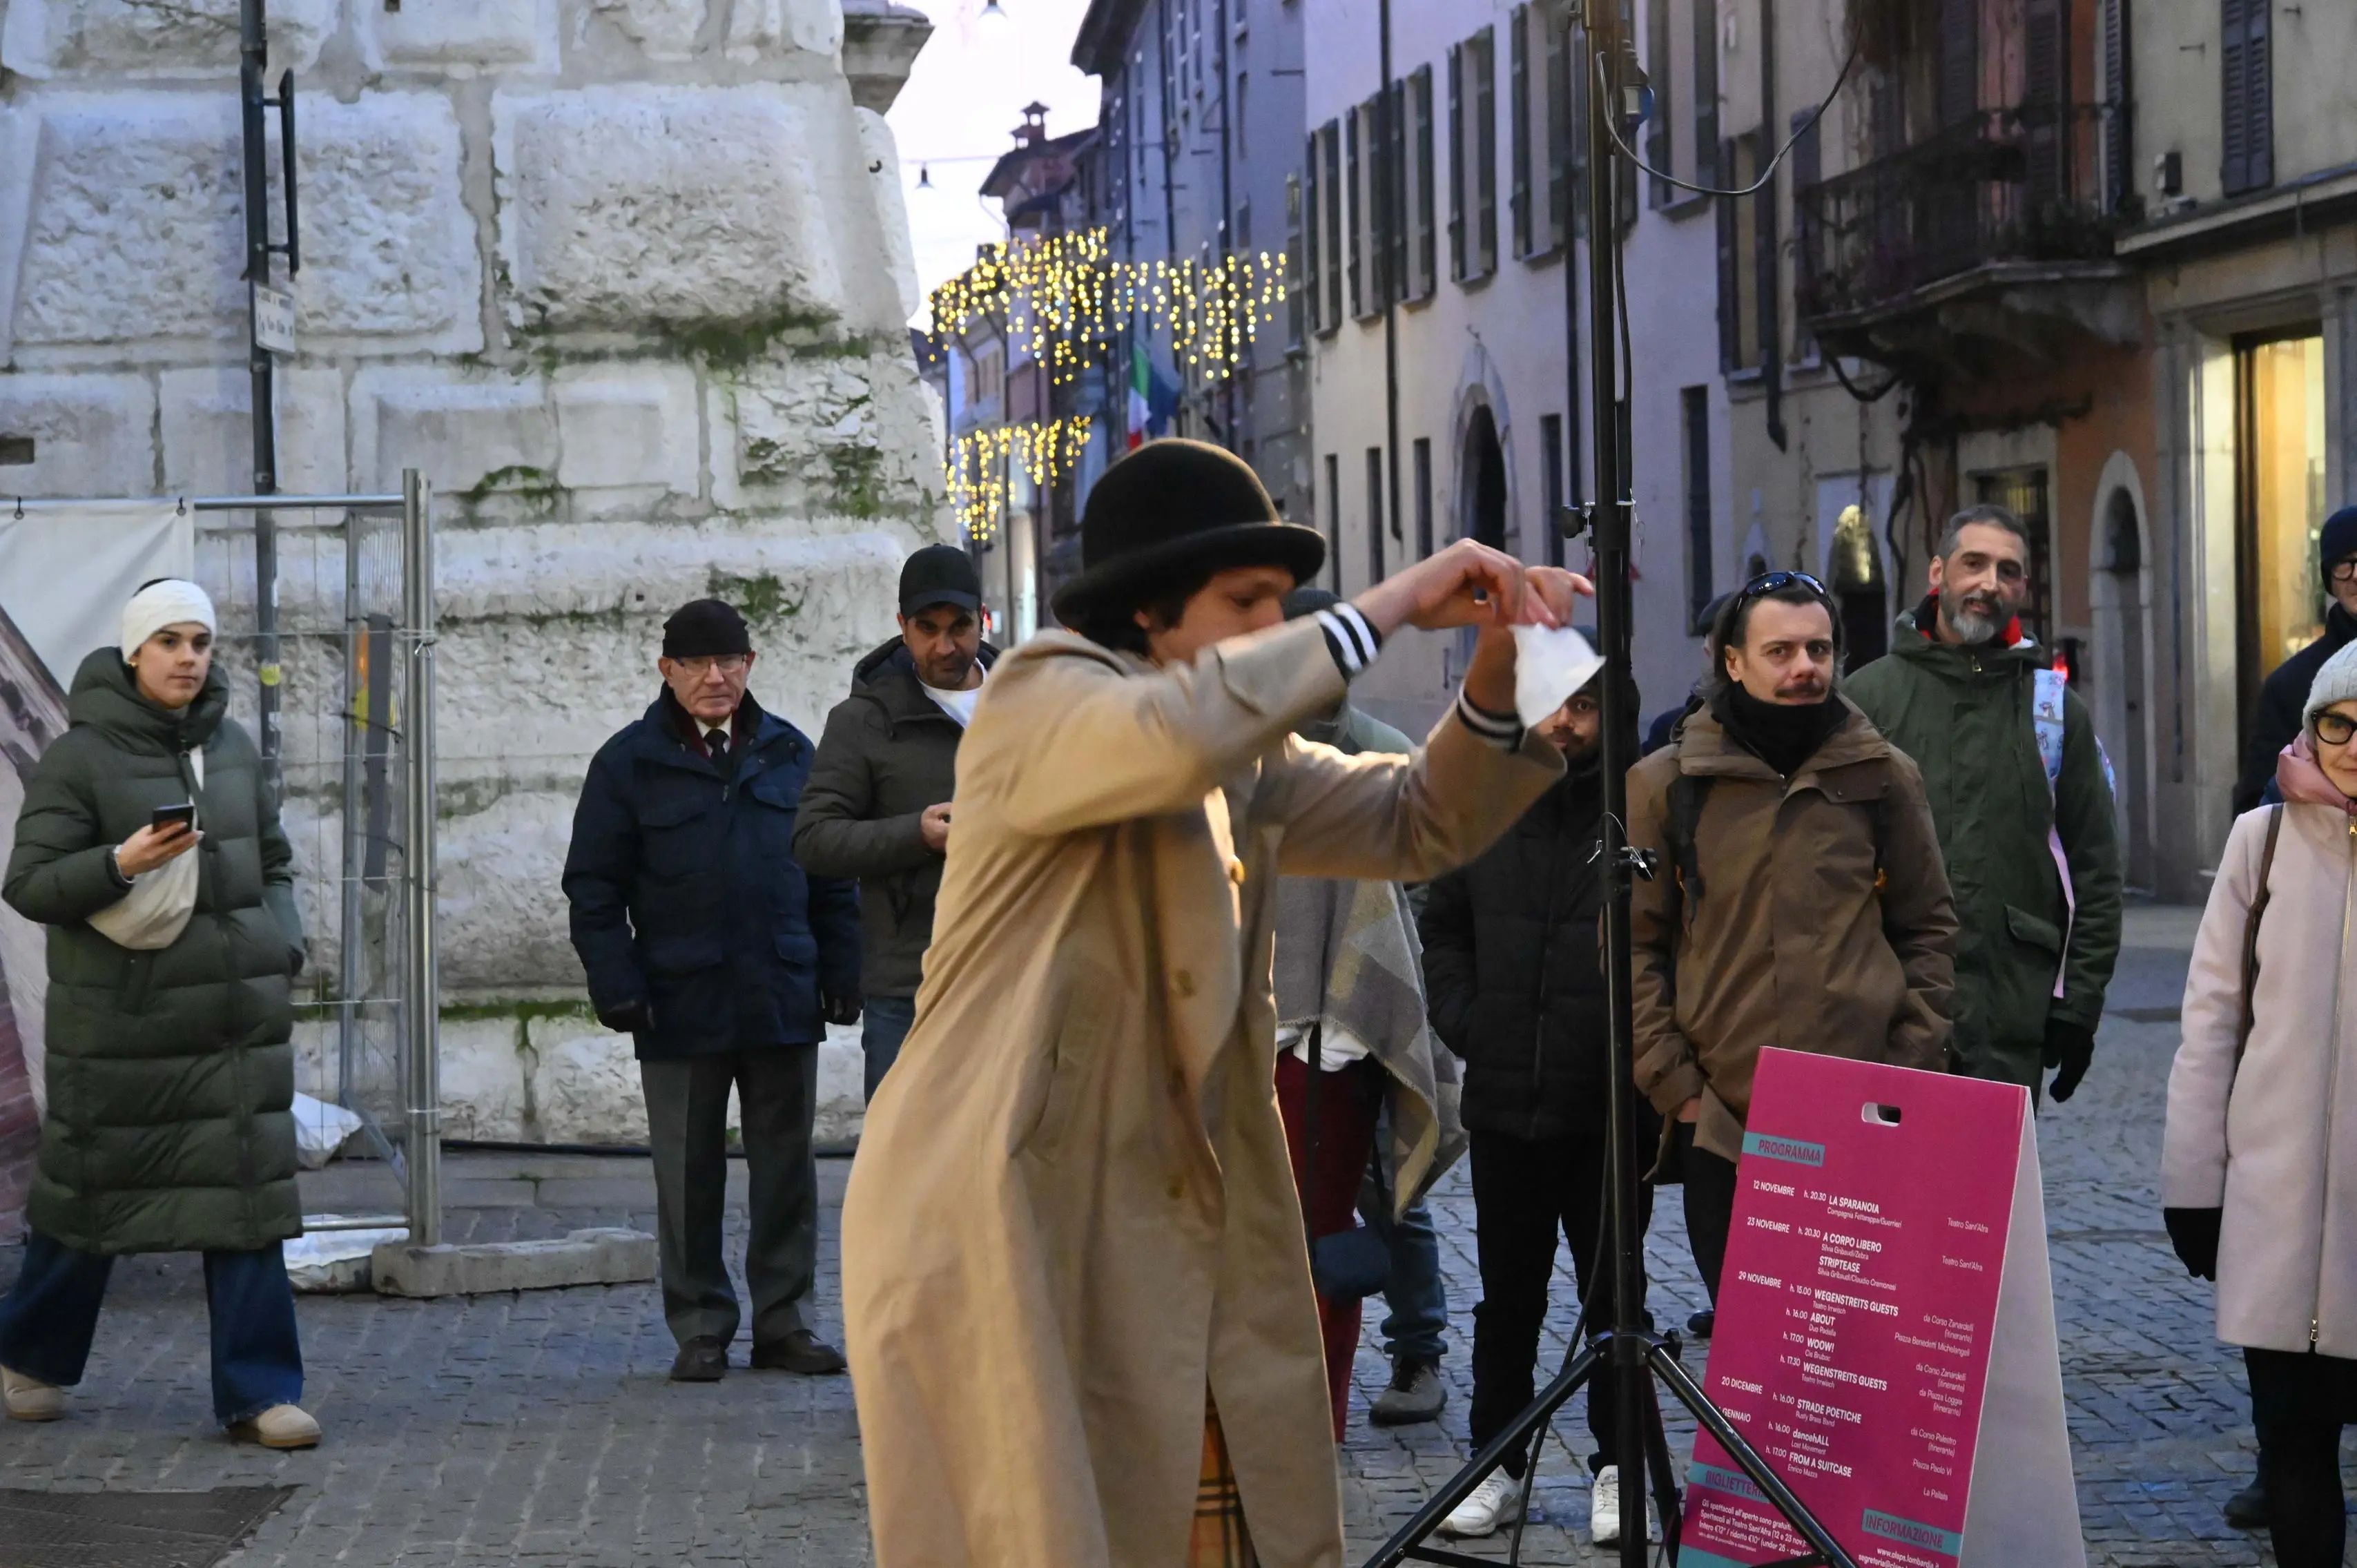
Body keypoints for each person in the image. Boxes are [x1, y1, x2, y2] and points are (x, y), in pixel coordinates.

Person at [840, 438, 1585, 1568]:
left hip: (1164, 1209)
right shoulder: (1039, 695)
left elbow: (1414, 820)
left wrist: (1500, 673)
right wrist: (1386, 605)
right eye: (1245, 600)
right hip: (1008, 1200)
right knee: (1051, 1531)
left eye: (1284, 605)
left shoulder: (1235, 756)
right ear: (1150, 610)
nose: (1271, 625)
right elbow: (1166, 736)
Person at [0, 581, 318, 1447]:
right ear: (135, 653)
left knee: (244, 1202)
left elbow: (276, 862)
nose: (188, 657)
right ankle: (28, 1354)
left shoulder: (236, 748)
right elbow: (28, 884)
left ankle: (261, 1395)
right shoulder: (82, 758)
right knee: (87, 1208)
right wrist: (120, 860)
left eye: (201, 642)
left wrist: (280, 943)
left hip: (234, 1028)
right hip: (123, 1039)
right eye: (171, 641)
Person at [1629, 572, 1957, 1308]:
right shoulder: (1668, 785)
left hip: (1862, 1117)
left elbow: (1929, 928)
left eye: (1819, 649)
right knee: (1756, 1355)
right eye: (1780, 651)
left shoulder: (1883, 778)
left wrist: (1907, 1065)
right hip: (1726, 1123)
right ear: (1732, 662)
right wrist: (1679, 1091)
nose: (1805, 667)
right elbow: (1632, 949)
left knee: (1853, 1352)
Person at [562, 598, 861, 1383]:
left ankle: (785, 1320)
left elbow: (831, 873)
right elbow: (593, 890)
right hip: (677, 999)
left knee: (788, 1170)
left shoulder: (793, 753)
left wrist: (842, 969)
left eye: (729, 661)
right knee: (687, 1174)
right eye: (696, 663)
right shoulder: (626, 764)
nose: (716, 677)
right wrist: (615, 983)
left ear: (751, 666)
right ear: (667, 671)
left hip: (779, 993)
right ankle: (701, 1323)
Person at [1421, 671, 1662, 1544]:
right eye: (1556, 703)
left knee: (1616, 1301)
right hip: (1507, 1100)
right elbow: (1439, 923)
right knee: (1506, 1298)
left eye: (1587, 706)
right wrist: (1472, 1022)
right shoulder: (1486, 804)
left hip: (1609, 1107)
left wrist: (1639, 1047)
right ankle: (1499, 1464)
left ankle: (1616, 1467)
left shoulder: (1643, 811)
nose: (1567, 722)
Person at [2163, 639, 2357, 1568]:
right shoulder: (2262, 838)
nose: (2352, 741)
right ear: (2310, 726)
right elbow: (2209, 1021)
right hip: (2275, 1209)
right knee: (2291, 1441)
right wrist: (2190, 1186)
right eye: (2336, 721)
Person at [1846, 505, 2122, 1101]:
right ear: (1939, 573)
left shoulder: (2053, 710)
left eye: (2008, 570)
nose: (1989, 583)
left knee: (1982, 1196)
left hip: (2005, 1026)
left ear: (2023, 588)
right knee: (1882, 1196)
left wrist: (2079, 1007)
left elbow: (2097, 869)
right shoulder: (1866, 699)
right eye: (1974, 564)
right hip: (1883, 1023)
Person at [1270, 586, 1462, 1440]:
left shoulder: (1383, 754)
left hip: (1358, 1022)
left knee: (1394, 1195)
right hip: (1278, 1029)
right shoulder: (1241, 759)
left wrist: (1385, 984)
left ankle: (1417, 1349)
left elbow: (1423, 878)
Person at [793, 545, 997, 1100]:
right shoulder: (863, 720)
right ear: (902, 627)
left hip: (1015, 973)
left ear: (983, 617)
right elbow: (813, 837)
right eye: (927, 629)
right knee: (902, 1170)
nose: (945, 646)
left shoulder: (1028, 702)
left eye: (959, 626)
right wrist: (918, 834)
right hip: (910, 986)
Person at [2233, 504, 2357, 814]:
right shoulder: (2290, 684)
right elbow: (2256, 808)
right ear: (2330, 577)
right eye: (2346, 564)